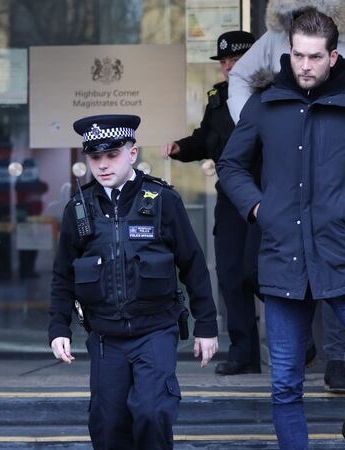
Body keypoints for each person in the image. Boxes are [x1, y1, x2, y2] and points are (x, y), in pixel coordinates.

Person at [217, 10, 345, 450]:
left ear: (333, 56)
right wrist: (259, 208)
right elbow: (231, 166)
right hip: (283, 255)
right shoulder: (264, 105)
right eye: (298, 55)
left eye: (315, 57)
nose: (305, 66)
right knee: (286, 383)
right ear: (289, 52)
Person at [49, 114, 219, 450]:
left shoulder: (163, 200)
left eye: (112, 155)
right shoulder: (79, 209)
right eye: (95, 157)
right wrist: (58, 328)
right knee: (108, 425)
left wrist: (207, 326)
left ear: (132, 153)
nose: (103, 165)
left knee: (152, 413)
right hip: (106, 337)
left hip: (155, 331)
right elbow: (62, 274)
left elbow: (193, 264)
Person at [163, 30, 262, 376]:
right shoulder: (219, 98)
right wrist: (181, 148)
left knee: (259, 271)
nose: (228, 67)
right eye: (224, 62)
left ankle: (298, 340)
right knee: (231, 275)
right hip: (231, 199)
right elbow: (206, 138)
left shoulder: (273, 96)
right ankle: (244, 354)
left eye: (235, 60)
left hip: (268, 197)